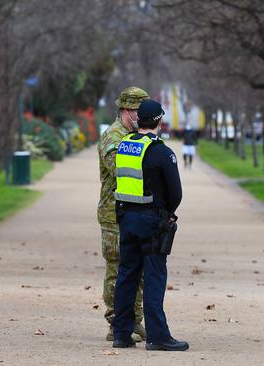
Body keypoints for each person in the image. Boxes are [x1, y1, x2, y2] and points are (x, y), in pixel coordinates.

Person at [112, 99, 188, 351]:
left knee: (126, 276)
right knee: (154, 277)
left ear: (138, 120)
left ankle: (121, 334)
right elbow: (175, 192)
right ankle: (158, 336)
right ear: (158, 121)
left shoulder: (124, 146)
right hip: (152, 220)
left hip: (126, 217)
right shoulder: (161, 152)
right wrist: (168, 213)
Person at [97, 86, 149, 342]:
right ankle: (116, 321)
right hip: (113, 212)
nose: (142, 117)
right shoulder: (113, 136)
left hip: (135, 211)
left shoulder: (138, 135)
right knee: (118, 268)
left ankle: (134, 319)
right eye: (139, 111)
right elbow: (120, 168)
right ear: (127, 110)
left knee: (137, 269)